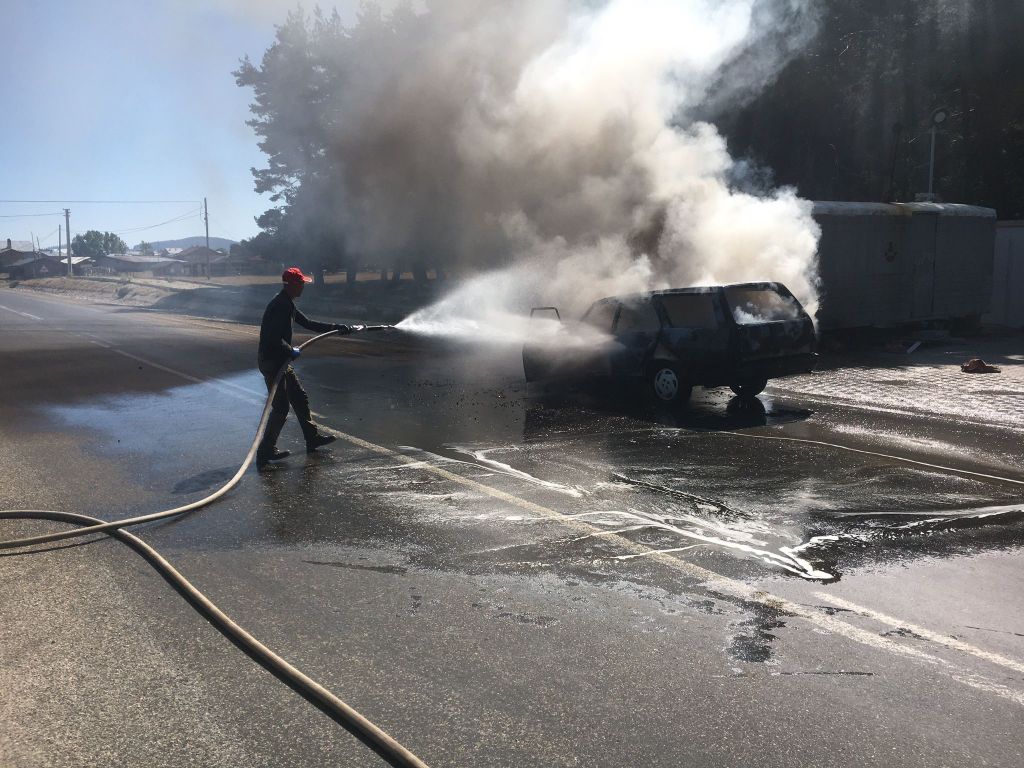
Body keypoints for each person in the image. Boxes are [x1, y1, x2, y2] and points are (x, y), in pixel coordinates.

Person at [256, 266, 350, 468]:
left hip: (279, 361)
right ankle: (265, 451)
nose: (303, 287)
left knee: (299, 397)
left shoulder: (287, 302)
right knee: (281, 407)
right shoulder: (281, 305)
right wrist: (290, 350)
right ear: (292, 285)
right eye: (301, 284)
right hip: (272, 363)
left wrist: (336, 328)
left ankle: (312, 438)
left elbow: (308, 323)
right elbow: (272, 338)